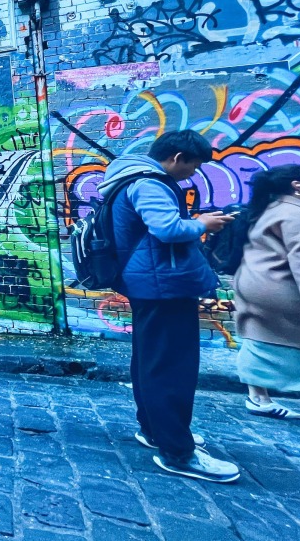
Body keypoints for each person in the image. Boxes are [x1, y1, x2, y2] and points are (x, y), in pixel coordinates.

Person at [99, 130, 240, 483]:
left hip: (152, 283)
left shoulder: (132, 176)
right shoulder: (150, 183)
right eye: (194, 166)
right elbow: (167, 230)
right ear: (177, 158)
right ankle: (178, 452)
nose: (193, 174)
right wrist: (203, 223)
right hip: (163, 285)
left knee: (151, 360)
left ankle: (155, 430)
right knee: (172, 368)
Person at [233, 165, 300, 420]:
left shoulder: (272, 208)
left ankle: (258, 397)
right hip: (281, 288)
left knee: (257, 339)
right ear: (298, 186)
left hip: (255, 284)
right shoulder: (298, 214)